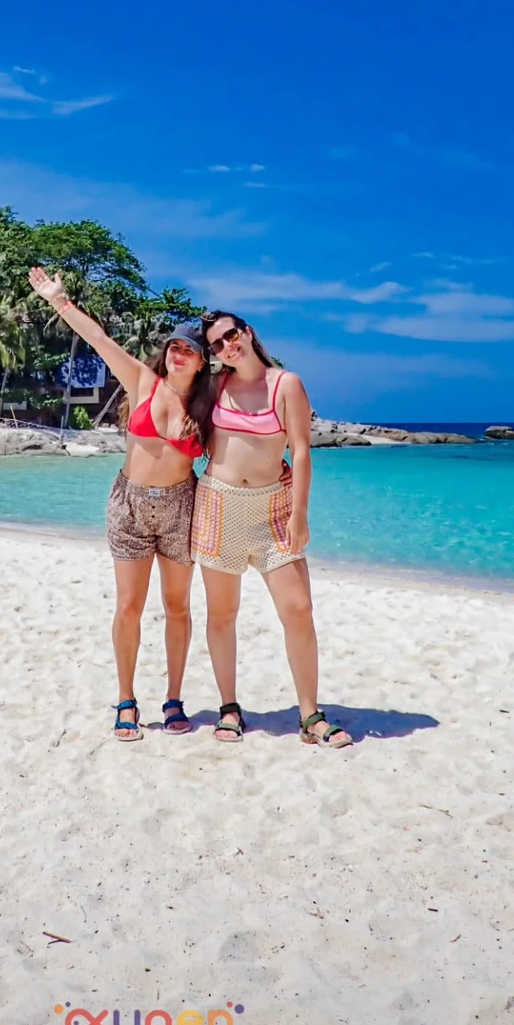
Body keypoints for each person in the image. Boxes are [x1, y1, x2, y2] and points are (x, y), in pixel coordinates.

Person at [28, 267, 213, 740]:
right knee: (129, 606)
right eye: (174, 346)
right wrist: (58, 300)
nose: (178, 353)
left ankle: (173, 700)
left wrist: (281, 468)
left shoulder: (210, 406)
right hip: (129, 504)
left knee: (177, 607)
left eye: (189, 349)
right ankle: (127, 699)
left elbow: (247, 433)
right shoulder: (143, 382)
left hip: (180, 508)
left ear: (201, 362)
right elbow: (98, 339)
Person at [193, 311, 352, 747]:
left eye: (232, 334)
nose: (228, 345)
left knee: (298, 610)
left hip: (274, 511)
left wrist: (300, 516)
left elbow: (301, 452)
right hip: (219, 506)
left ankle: (310, 714)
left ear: (248, 332)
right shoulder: (214, 387)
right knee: (222, 615)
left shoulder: (286, 385)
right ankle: (229, 708)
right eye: (217, 344)